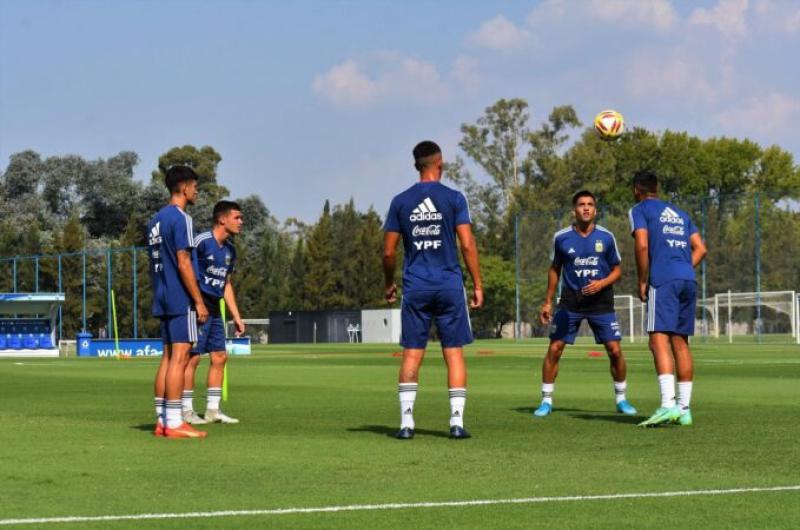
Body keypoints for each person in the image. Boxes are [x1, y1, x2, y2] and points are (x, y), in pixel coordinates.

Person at [383, 140, 483, 440]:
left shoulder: (400, 201)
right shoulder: (454, 198)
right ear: (440, 163)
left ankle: (406, 424)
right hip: (449, 285)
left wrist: (389, 283)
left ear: (417, 165)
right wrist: (478, 283)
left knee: (412, 355)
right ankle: (455, 423)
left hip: (416, 287)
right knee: (453, 354)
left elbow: (388, 252)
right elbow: (466, 243)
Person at [534, 190, 637, 417]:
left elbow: (617, 269)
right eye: (581, 204)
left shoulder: (606, 237)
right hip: (571, 302)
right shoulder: (561, 237)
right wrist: (548, 302)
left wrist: (601, 284)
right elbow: (554, 270)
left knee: (615, 350)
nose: (586, 208)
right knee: (555, 349)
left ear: (595, 209)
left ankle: (621, 399)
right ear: (574, 210)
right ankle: (546, 400)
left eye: (590, 204)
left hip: (601, 302)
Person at [629, 170, 706, 427]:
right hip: (688, 279)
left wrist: (642, 280)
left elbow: (641, 245)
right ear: (657, 188)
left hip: (663, 280)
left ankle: (667, 405)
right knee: (681, 342)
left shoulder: (640, 210)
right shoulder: (680, 213)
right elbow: (701, 248)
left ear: (636, 190)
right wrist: (683, 267)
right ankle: (684, 409)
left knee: (657, 340)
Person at [148, 165, 209, 438]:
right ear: (184, 187)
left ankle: (162, 420)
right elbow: (184, 261)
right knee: (180, 357)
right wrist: (199, 301)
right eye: (195, 186)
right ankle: (174, 423)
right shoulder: (181, 218)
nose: (196, 191)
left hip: (161, 293)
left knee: (167, 356)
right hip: (179, 295)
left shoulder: (156, 220)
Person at [182, 201, 246, 425]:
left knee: (220, 356)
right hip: (196, 306)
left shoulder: (230, 250)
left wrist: (236, 316)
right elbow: (186, 272)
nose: (241, 222)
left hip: (216, 309)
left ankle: (212, 410)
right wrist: (197, 303)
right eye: (237, 218)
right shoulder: (201, 242)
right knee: (193, 358)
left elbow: (226, 284)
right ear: (222, 219)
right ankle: (186, 410)